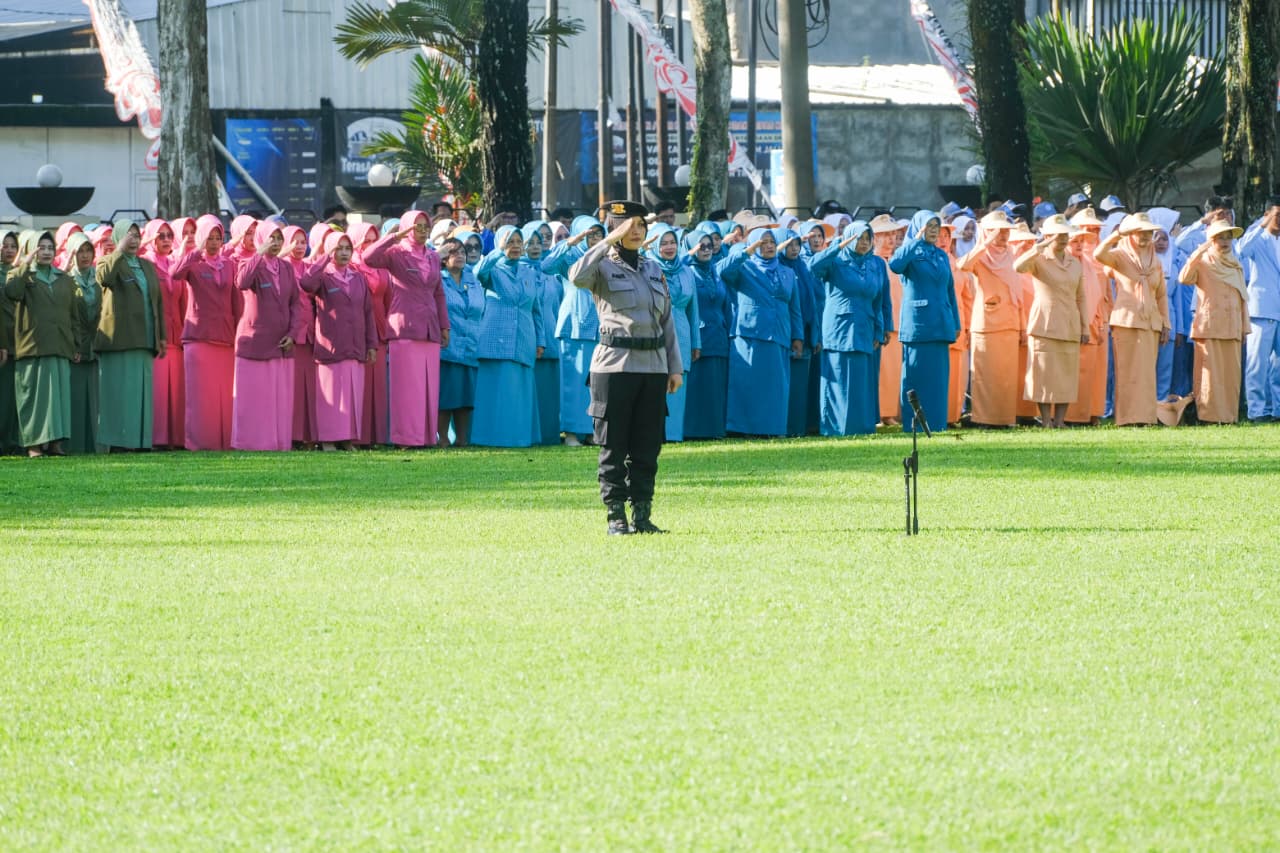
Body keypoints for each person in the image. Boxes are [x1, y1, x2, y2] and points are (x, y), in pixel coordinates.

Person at [569, 201, 683, 535]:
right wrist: (604, 242)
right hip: (613, 367)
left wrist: (674, 367)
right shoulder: (601, 266)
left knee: (647, 446)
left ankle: (643, 516)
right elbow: (576, 277)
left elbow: (666, 321)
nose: (635, 232)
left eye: (639, 226)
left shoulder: (652, 269)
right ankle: (615, 516)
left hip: (652, 368)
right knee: (613, 446)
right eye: (626, 226)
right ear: (614, 230)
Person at [363, 210, 449, 448]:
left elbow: (438, 292)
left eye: (425, 226)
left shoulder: (432, 256)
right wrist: (393, 237)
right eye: (416, 226)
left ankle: (426, 436)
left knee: (428, 386)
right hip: (405, 327)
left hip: (430, 328)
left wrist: (444, 325)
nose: (421, 231)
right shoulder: (396, 253)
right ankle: (406, 438)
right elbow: (369, 258)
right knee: (407, 388)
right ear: (406, 228)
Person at [718, 226, 803, 437]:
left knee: (775, 386)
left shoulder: (787, 272)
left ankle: (772, 429)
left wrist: (798, 336)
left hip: (779, 334)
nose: (769, 246)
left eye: (771, 242)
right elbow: (720, 270)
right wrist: (746, 252)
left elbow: (795, 308)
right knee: (749, 385)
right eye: (763, 242)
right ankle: (744, 429)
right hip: (750, 334)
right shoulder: (744, 268)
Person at [298, 231, 378, 449]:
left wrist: (371, 344)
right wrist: (324, 258)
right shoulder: (323, 276)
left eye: (346, 249)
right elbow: (306, 283)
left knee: (352, 394)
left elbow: (368, 313)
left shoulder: (358, 277)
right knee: (331, 396)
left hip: (355, 346)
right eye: (338, 249)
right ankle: (328, 440)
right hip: (331, 346)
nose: (343, 253)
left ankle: (347, 439)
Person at [231, 221, 304, 451]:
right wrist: (258, 253)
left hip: (281, 342)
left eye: (279, 238)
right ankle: (249, 442)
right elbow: (242, 282)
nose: (276, 243)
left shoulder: (286, 267)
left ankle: (278, 441)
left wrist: (293, 333)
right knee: (253, 398)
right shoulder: (248, 263)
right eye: (271, 238)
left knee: (277, 398)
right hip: (255, 341)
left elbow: (295, 304)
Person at [808, 221, 886, 435]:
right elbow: (813, 266)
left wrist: (880, 329)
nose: (863, 243)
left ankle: (861, 426)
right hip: (839, 327)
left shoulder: (876, 264)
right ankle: (835, 426)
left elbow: (879, 300)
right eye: (859, 238)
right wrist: (838, 247)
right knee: (839, 377)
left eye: (867, 238)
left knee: (861, 379)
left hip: (865, 326)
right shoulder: (836, 261)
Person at [1094, 212, 1171, 426]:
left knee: (1147, 372)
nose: (1145, 237)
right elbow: (1098, 254)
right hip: (1126, 321)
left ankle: (1146, 417)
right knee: (1128, 371)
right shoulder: (1119, 256)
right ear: (1131, 234)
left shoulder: (1155, 261)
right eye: (1140, 232)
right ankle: (1127, 418)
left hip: (1151, 322)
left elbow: (1161, 294)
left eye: (1149, 232)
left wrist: (1166, 322)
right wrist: (1117, 234)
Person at [4, 231, 77, 456]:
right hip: (32, 347)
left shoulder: (64, 278)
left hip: (60, 345)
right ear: (31, 250)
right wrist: (25, 264)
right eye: (40, 248)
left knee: (58, 398)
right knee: (34, 398)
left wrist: (75, 344)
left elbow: (72, 314)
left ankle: (55, 443)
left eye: (49, 248)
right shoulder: (20, 275)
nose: (45, 252)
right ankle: (34, 445)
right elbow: (12, 292)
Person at [470, 225, 543, 447]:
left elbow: (536, 309)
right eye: (510, 242)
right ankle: (489, 437)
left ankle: (518, 437)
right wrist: (497, 251)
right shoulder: (493, 270)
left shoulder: (529, 272)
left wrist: (541, 341)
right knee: (495, 391)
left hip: (523, 337)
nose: (515, 247)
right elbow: (477, 272)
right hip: (496, 337)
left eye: (519, 242)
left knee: (519, 391)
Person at [1013, 214, 1089, 428]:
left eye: (1065, 234)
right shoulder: (1038, 259)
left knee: (1067, 372)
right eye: (1057, 235)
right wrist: (1038, 247)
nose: (1063, 239)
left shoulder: (1075, 263)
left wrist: (1085, 326)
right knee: (1043, 372)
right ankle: (1046, 420)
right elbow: (1018, 267)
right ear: (1047, 236)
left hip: (1069, 323)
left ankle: (1060, 420)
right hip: (1044, 323)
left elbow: (1081, 296)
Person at [170, 214, 238, 451]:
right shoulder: (194, 263)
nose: (215, 242)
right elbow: (175, 273)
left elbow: (236, 301)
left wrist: (237, 333)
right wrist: (195, 250)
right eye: (210, 237)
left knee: (225, 396)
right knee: (201, 397)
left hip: (225, 337)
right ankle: (199, 442)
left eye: (218, 237)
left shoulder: (230, 264)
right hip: (199, 337)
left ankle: (226, 440)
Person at [96, 220, 165, 451]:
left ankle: (141, 440)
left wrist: (161, 337)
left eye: (136, 235)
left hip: (145, 339)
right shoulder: (108, 260)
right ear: (117, 237)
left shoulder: (147, 266)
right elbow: (105, 278)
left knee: (142, 394)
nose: (133, 240)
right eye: (128, 235)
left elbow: (157, 302)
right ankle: (119, 442)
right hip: (119, 340)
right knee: (119, 392)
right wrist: (118, 250)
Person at [889, 210, 960, 433]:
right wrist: (914, 240)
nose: (933, 231)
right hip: (918, 326)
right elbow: (895, 265)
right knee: (916, 377)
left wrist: (955, 322)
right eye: (928, 226)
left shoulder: (941, 256)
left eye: (936, 227)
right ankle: (915, 424)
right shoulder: (910, 252)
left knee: (937, 380)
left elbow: (950, 291)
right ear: (918, 227)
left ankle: (937, 423)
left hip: (940, 324)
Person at [1179, 219, 1250, 424]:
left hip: (1233, 326)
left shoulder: (1236, 264)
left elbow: (1242, 298)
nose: (1225, 241)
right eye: (1220, 237)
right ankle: (1208, 416)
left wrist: (1244, 327)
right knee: (1210, 376)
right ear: (1211, 239)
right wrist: (1199, 251)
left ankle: (1229, 416)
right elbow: (1184, 278)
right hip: (1210, 326)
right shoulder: (1203, 261)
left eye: (1228, 237)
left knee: (1231, 375)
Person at [543, 215, 605, 445]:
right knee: (573, 382)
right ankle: (570, 432)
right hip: (574, 324)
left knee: (595, 383)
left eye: (598, 233)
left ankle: (590, 431)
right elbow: (546, 266)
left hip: (599, 326)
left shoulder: (604, 257)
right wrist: (568, 242)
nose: (594, 238)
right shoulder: (569, 256)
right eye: (588, 234)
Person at [958, 211, 1023, 427]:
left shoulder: (1012, 255)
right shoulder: (981, 256)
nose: (1003, 235)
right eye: (998, 231)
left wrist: (1022, 325)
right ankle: (984, 418)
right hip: (986, 323)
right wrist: (984, 244)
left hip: (1011, 321)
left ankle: (1005, 418)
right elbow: (963, 266)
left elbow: (1019, 292)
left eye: (1005, 231)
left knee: (1006, 375)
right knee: (986, 376)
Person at [646, 224, 700, 442]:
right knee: (655, 381)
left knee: (677, 382)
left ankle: (674, 433)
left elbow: (693, 309)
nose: (669, 247)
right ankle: (653, 433)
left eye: (672, 242)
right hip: (655, 331)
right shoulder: (647, 268)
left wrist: (696, 342)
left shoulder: (687, 271)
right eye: (663, 243)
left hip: (682, 331)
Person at [682, 227, 732, 439]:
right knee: (697, 385)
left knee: (715, 385)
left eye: (710, 246)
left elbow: (725, 305)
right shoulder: (686, 271)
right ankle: (693, 430)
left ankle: (714, 429)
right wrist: (689, 254)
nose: (706, 250)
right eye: (701, 246)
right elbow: (672, 266)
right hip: (697, 336)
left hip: (717, 335)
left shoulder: (715, 272)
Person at [436, 237, 485, 446]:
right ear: (444, 257)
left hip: (471, 343)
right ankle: (443, 438)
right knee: (446, 396)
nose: (460, 256)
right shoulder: (438, 279)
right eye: (454, 252)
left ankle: (463, 439)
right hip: (448, 344)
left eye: (462, 252)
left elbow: (479, 308)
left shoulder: (472, 279)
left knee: (466, 397)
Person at [140, 219, 185, 449]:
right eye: (160, 236)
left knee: (175, 391)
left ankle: (174, 438)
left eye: (169, 235)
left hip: (176, 335)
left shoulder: (175, 263)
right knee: (158, 390)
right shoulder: (145, 263)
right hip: (156, 335)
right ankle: (155, 438)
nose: (166, 240)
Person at [347, 222, 391, 445]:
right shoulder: (349, 268)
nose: (370, 246)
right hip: (356, 328)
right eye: (366, 241)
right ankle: (358, 436)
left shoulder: (381, 267)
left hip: (380, 327)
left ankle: (377, 436)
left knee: (378, 386)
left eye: (375, 241)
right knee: (359, 385)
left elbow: (389, 299)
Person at [1236, 199, 1280, 422]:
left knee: (1278, 366)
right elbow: (1241, 249)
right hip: (1262, 310)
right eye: (1277, 215)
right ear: (1267, 214)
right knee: (1257, 363)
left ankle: (1277, 409)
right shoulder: (1257, 238)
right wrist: (1262, 224)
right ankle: (1256, 410)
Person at [1064, 210, 1109, 426]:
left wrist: (1101, 322)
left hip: (1095, 321)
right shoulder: (1064, 260)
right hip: (1071, 321)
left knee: (1094, 372)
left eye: (1094, 230)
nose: (1087, 239)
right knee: (1073, 370)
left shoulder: (1092, 263)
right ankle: (1071, 415)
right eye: (1083, 232)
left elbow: (1101, 295)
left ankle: (1091, 412)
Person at [779, 226, 822, 436]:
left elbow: (810, 303)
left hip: (803, 332)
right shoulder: (777, 267)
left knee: (800, 387)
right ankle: (785, 428)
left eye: (797, 244)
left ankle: (799, 428)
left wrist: (813, 334)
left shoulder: (801, 267)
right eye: (789, 245)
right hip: (784, 333)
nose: (795, 249)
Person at [523, 221, 563, 446]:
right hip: (529, 338)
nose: (536, 246)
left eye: (540, 241)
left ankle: (550, 434)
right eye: (531, 242)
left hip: (552, 337)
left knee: (550, 392)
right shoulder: (517, 270)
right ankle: (531, 435)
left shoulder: (551, 274)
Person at [64, 232, 103, 453]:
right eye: (80, 251)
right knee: (76, 400)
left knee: (96, 401)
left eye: (89, 250)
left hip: (95, 348)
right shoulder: (66, 281)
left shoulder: (98, 279)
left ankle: (95, 446)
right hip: (75, 350)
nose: (85, 256)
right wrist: (74, 345)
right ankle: (75, 446)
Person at [937, 221, 973, 424]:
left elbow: (967, 299)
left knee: (957, 374)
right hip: (937, 327)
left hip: (958, 326)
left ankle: (953, 415)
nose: (943, 240)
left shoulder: (958, 265)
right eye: (939, 235)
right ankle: (938, 414)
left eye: (947, 236)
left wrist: (967, 327)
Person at [870, 214, 903, 424]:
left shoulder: (897, 262)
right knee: (881, 371)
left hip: (898, 323)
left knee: (894, 372)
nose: (890, 239)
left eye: (892, 234)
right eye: (885, 235)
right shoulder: (872, 263)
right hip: (880, 324)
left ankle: (890, 412)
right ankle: (879, 412)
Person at [0, 229, 22, 453]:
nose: (9, 250)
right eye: (5, 245)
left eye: (12, 246)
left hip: (21, 344)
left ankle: (13, 441)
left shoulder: (19, 274)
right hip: (3, 344)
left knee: (15, 398)